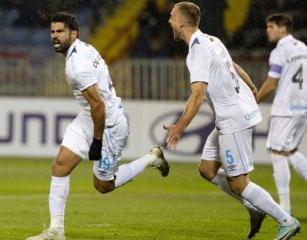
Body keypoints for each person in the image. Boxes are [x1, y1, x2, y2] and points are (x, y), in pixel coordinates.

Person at [26, 12, 169, 240]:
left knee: (103, 186)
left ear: (74, 33)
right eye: (52, 32)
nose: (55, 36)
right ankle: (56, 231)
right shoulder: (81, 49)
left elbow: (99, 106)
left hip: (108, 125)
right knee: (60, 166)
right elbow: (93, 106)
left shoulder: (77, 66)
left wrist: (97, 142)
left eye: (60, 32)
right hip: (88, 118)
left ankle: (152, 158)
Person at [163, 2, 300, 239]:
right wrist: (251, 86)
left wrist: (179, 128)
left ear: (182, 22)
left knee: (239, 183)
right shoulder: (211, 40)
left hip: (233, 118)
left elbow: (198, 94)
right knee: (207, 169)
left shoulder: (197, 51)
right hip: (235, 112)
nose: (168, 21)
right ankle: (253, 207)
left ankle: (286, 220)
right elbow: (234, 66)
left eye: (172, 16)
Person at [257, 13, 307, 215]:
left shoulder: (279, 51)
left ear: (283, 28)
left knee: (277, 153)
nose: (267, 30)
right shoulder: (303, 48)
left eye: (271, 26)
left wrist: (253, 102)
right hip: (302, 108)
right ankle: (285, 206)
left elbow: (271, 84)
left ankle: (285, 207)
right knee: (290, 151)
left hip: (285, 109)